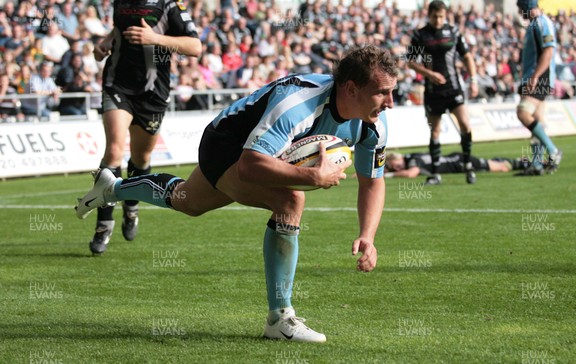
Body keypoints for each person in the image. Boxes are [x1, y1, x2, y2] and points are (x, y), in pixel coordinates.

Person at [76, 44, 397, 342]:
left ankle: (113, 187)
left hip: (255, 154)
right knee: (289, 200)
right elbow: (249, 166)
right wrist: (310, 176)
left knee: (188, 201)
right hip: (226, 144)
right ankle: (280, 318)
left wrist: (367, 235)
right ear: (352, 89)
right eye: (382, 93)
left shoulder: (373, 124)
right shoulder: (298, 104)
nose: (390, 102)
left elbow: (372, 181)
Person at [89, 0, 201, 255]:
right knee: (114, 152)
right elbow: (119, 29)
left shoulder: (169, 5)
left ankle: (131, 205)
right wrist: (105, 43)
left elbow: (195, 47)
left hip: (153, 92)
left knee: (141, 158)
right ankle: (103, 225)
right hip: (117, 85)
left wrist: (154, 38)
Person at [407, 0, 479, 185]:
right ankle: (435, 173)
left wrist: (473, 80)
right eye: (434, 16)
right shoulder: (420, 35)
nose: (438, 20)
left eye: (441, 16)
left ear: (445, 15)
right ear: (429, 15)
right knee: (435, 131)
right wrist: (429, 74)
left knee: (465, 124)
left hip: (453, 87)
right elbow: (410, 61)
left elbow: (468, 56)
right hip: (433, 91)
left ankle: (468, 166)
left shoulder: (453, 32)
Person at [515, 0, 562, 175]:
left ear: (527, 7)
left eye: (521, 9)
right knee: (537, 119)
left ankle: (553, 150)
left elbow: (548, 52)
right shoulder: (534, 25)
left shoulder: (542, 23)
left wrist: (534, 77)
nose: (520, 13)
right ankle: (536, 164)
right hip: (534, 76)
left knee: (523, 112)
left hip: (539, 77)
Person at [382, 152, 525, 179]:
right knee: (493, 163)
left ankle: (534, 164)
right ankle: (523, 161)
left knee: (502, 167)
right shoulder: (413, 156)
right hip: (456, 159)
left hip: (459, 163)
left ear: (398, 157)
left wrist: (386, 175)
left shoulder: (413, 160)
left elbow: (411, 174)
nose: (395, 168)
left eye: (394, 164)